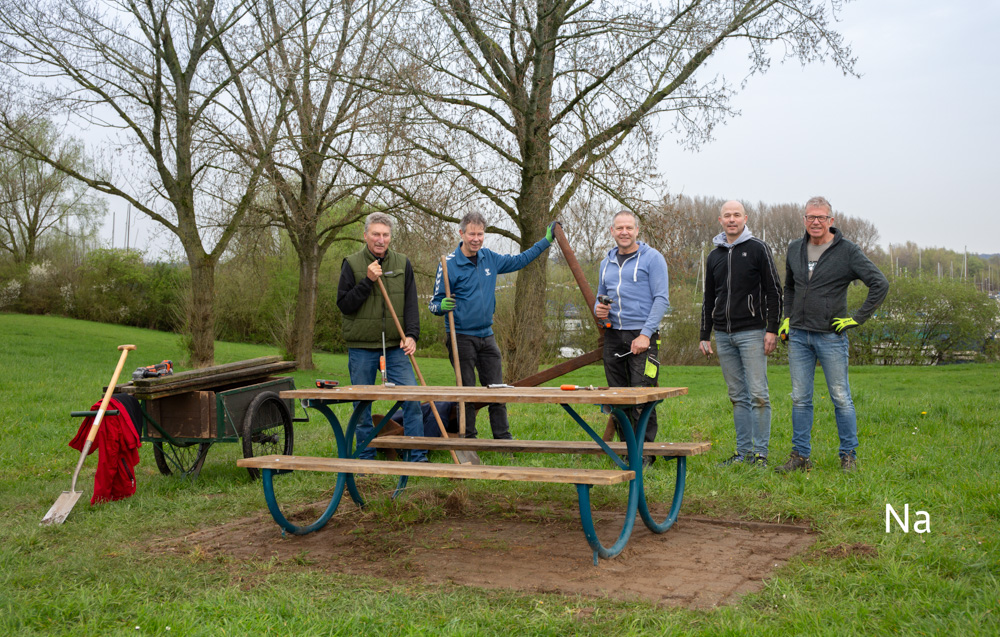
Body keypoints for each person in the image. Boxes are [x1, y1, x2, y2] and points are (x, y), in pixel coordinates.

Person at [775, 196, 889, 473]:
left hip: (831, 336)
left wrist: (855, 319)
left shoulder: (848, 251)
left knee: (841, 397)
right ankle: (800, 457)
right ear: (804, 220)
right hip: (799, 336)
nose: (815, 222)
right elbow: (789, 288)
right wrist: (786, 318)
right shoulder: (794, 249)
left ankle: (848, 456)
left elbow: (879, 283)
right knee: (800, 398)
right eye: (810, 217)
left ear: (831, 221)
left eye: (821, 217)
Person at [429, 212, 554, 439]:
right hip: (460, 337)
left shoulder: (489, 258)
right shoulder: (448, 264)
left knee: (497, 389)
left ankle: (503, 437)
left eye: (480, 234)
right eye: (471, 234)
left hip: (487, 335)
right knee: (466, 390)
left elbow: (520, 261)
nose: (476, 239)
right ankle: (467, 437)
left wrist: (545, 242)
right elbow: (433, 304)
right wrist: (442, 306)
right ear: (461, 234)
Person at [336, 212, 427, 462]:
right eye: (375, 234)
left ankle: (416, 456)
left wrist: (411, 336)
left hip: (396, 348)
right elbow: (344, 304)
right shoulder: (352, 264)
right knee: (362, 405)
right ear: (365, 235)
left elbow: (411, 305)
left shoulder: (402, 263)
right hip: (362, 347)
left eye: (385, 235)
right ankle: (365, 457)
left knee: (411, 397)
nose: (380, 239)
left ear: (390, 237)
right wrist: (367, 281)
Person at [699, 201, 782, 467]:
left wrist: (772, 329)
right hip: (724, 335)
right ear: (720, 220)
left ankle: (760, 454)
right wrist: (705, 334)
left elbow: (774, 291)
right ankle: (742, 453)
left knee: (758, 393)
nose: (732, 219)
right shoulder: (714, 256)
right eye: (727, 216)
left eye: (736, 215)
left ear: (745, 218)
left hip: (753, 332)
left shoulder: (758, 248)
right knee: (737, 396)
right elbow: (709, 298)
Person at [594, 210, 670, 467]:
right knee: (619, 396)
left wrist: (646, 334)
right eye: (619, 228)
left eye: (629, 228)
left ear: (637, 231)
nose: (624, 232)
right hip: (614, 336)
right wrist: (599, 308)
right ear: (612, 231)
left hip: (643, 337)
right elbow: (600, 296)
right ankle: (628, 450)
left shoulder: (653, 259)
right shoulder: (606, 263)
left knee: (642, 396)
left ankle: (645, 454)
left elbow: (661, 299)